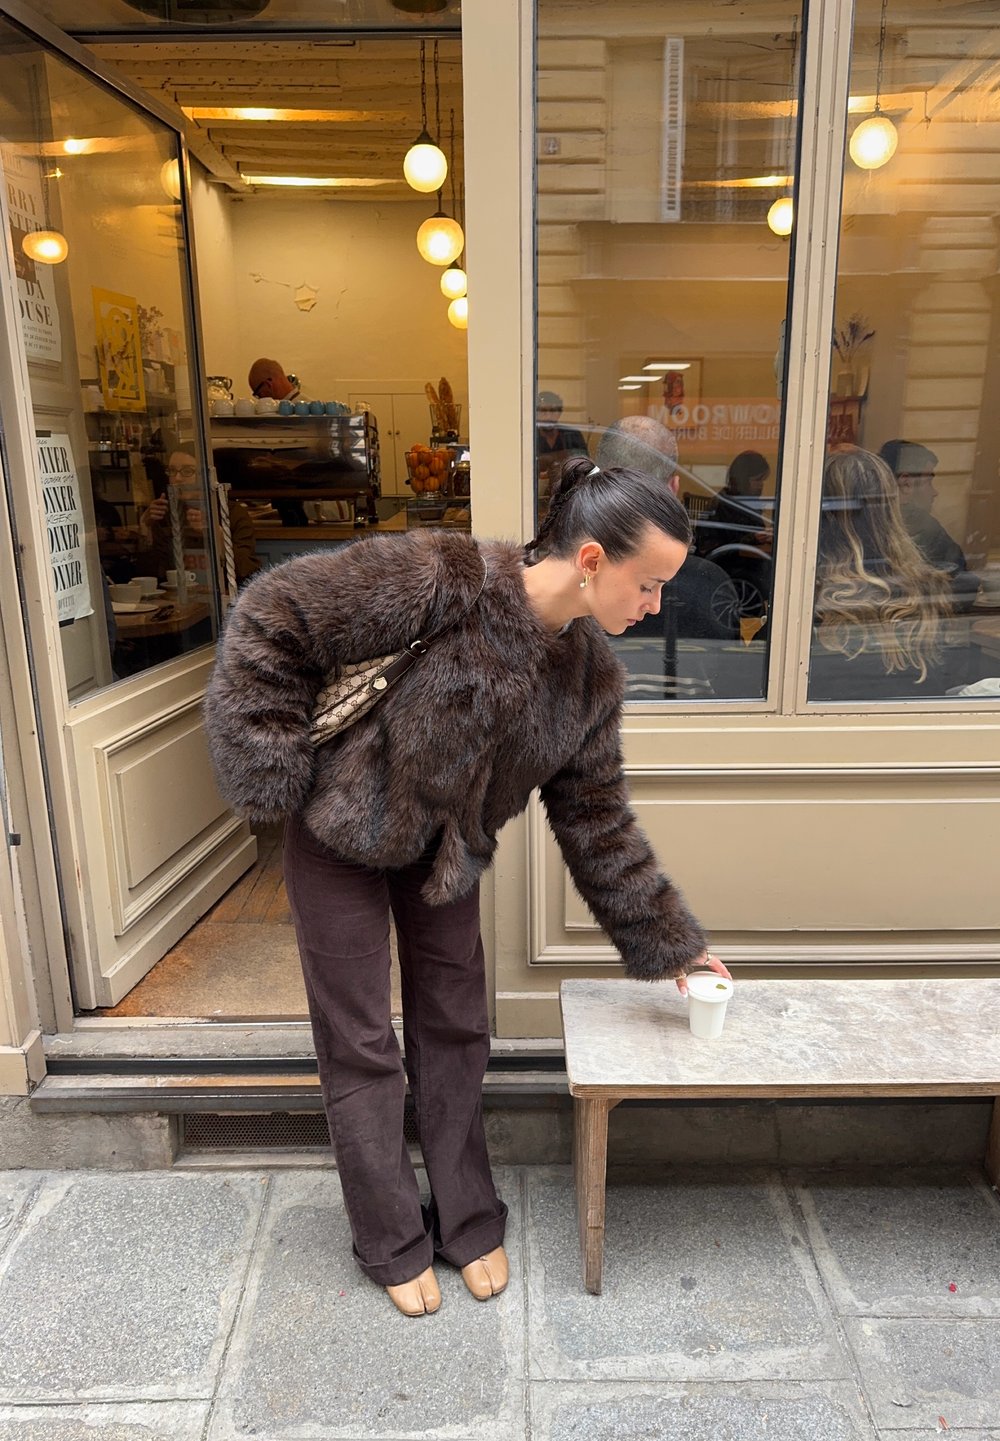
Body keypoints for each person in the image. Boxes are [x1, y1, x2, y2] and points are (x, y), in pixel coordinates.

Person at [203, 457, 730, 1318]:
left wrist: (672, 941)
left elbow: (597, 819)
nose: (656, 604)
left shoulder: (591, 677)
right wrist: (271, 774)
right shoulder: (442, 579)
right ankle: (387, 1234)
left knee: (456, 1024)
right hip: (338, 834)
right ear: (592, 559)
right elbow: (271, 615)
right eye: (650, 583)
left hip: (446, 856)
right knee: (361, 1038)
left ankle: (465, 1213)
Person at [811, 446, 954, 700]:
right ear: (890, 507)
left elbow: (761, 670)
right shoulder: (925, 587)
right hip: (918, 727)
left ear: (821, 511)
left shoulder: (811, 590)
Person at [596, 416, 741, 643]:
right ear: (673, 487)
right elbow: (729, 663)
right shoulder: (709, 585)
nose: (654, 605)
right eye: (648, 586)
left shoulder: (569, 584)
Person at [877, 440, 978, 612]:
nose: (934, 492)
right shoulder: (922, 527)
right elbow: (963, 584)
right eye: (929, 481)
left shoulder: (869, 519)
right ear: (906, 484)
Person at [139, 449, 261, 587]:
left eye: (187, 471)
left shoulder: (231, 512)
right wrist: (145, 528)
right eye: (172, 471)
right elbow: (151, 573)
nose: (177, 478)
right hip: (179, 597)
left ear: (206, 476)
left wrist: (217, 536)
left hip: (224, 594)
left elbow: (248, 571)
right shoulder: (165, 513)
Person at [246, 359, 310, 526]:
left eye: (258, 393)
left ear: (269, 384)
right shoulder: (302, 407)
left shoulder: (301, 412)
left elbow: (307, 457)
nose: (259, 399)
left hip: (311, 502)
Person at [536, 390, 589, 492]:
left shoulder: (572, 434)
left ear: (559, 413)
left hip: (569, 489)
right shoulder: (529, 437)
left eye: (553, 411)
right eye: (543, 411)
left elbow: (584, 465)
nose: (548, 416)